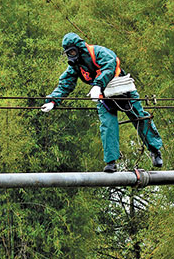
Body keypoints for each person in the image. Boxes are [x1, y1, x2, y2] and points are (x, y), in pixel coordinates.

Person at [41, 32, 163, 173]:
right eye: (69, 53)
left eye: (73, 51)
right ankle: (111, 162)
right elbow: (65, 84)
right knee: (107, 125)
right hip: (103, 96)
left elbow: (110, 65)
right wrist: (53, 101)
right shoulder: (76, 66)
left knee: (140, 116)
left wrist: (98, 84)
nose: (72, 55)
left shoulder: (98, 52)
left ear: (79, 47)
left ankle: (155, 151)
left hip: (123, 89)